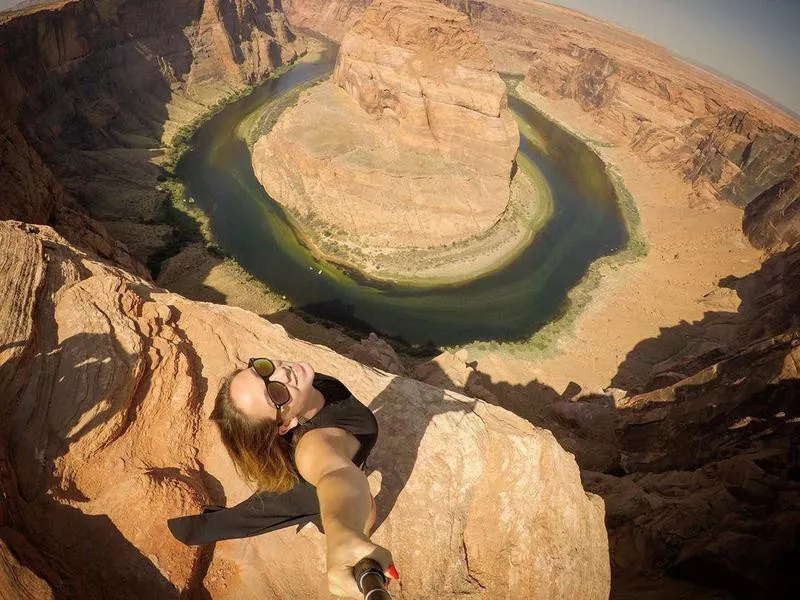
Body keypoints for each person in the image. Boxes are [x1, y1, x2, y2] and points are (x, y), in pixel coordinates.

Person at [167, 357, 397, 598]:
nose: (282, 374)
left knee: (260, 509)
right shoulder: (313, 446)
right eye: (276, 394)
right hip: (308, 490)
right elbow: (335, 473)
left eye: (263, 370)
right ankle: (194, 529)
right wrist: (344, 534)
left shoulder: (308, 385)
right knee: (362, 509)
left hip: (328, 470)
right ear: (286, 425)